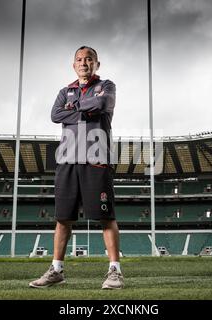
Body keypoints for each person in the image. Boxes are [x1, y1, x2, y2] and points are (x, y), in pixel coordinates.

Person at [29, 46, 123, 290]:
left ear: (97, 64)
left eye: (88, 59)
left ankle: (115, 271)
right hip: (67, 160)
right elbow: (54, 115)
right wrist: (85, 108)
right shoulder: (64, 91)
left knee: (106, 217)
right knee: (62, 218)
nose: (84, 63)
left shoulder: (107, 85)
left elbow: (101, 103)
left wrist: (74, 108)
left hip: (96, 159)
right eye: (79, 60)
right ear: (73, 65)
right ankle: (57, 270)